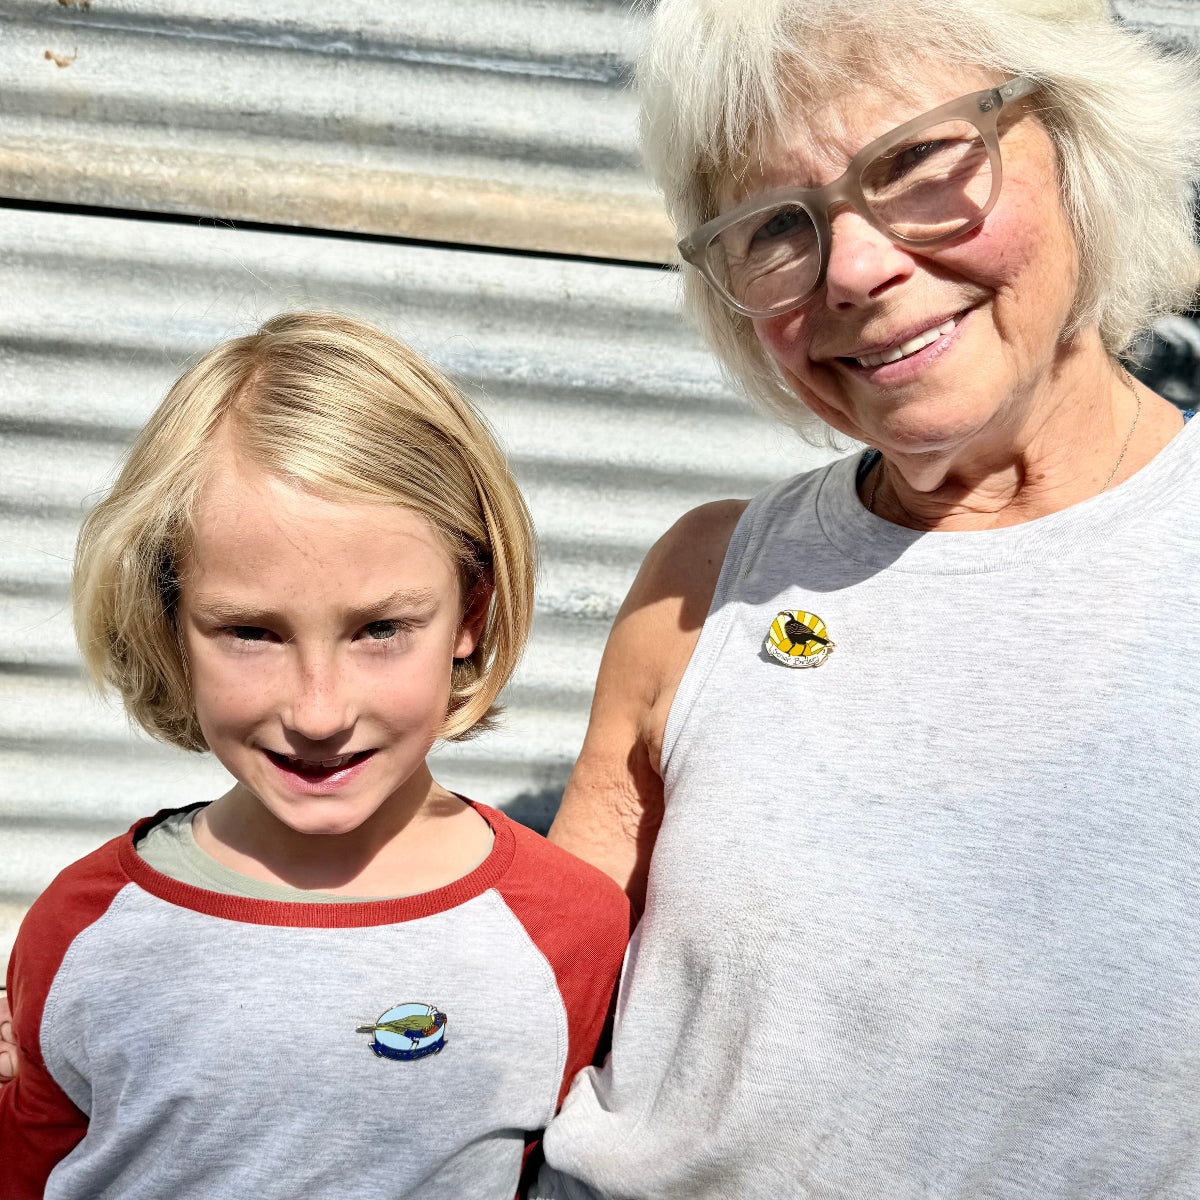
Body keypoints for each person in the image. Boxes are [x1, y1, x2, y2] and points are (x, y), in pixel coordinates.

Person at [532, 0, 1200, 1196]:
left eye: (915, 162)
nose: (855, 268)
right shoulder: (704, 585)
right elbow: (528, 1005)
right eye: (778, 226)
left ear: (1083, 145)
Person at [0, 312, 631, 1200]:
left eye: (381, 629)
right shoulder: (82, 928)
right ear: (170, 624)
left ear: (472, 614)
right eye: (251, 632)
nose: (320, 711)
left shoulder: (569, 926)